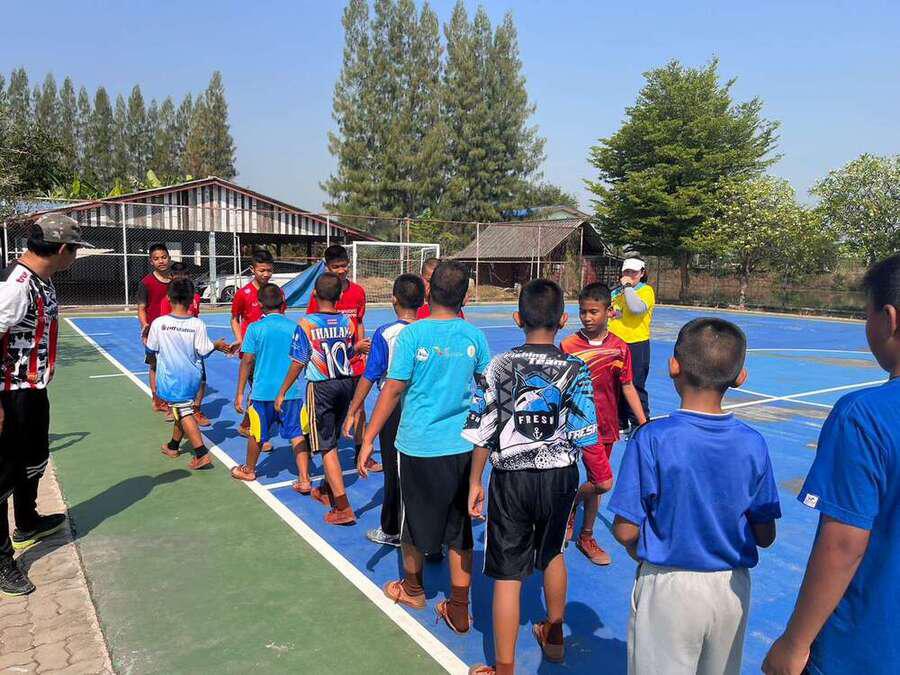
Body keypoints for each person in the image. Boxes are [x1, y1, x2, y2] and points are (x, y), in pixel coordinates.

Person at [608, 318, 780, 675]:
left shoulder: (653, 439)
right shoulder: (753, 444)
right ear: (740, 377)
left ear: (674, 366)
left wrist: (644, 551)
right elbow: (765, 534)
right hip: (731, 588)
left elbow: (625, 530)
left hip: (667, 587)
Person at [762, 253, 900, 675]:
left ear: (889, 318)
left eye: (867, 314)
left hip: (866, 647)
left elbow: (844, 543)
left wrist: (795, 642)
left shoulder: (864, 416)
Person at [464, 280, 598, 674]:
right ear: (564, 320)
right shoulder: (577, 368)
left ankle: (504, 667)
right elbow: (586, 433)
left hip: (511, 478)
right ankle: (554, 638)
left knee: (508, 574)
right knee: (553, 552)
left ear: (517, 318)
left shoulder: (498, 366)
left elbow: (483, 431)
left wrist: (475, 481)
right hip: (560, 476)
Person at [358, 261, 490, 634]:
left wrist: (368, 438)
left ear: (428, 292)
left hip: (417, 445)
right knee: (459, 529)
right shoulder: (474, 336)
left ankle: (414, 591)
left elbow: (393, 388)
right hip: (461, 447)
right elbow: (486, 392)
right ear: (465, 297)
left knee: (412, 523)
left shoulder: (413, 335)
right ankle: (460, 609)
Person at [0, 215, 88, 597]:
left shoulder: (43, 279)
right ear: (63, 249)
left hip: (33, 390)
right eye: (75, 250)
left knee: (33, 460)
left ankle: (27, 521)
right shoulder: (15, 286)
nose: (75, 257)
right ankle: (2, 560)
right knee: (2, 475)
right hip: (10, 394)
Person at [561, 282, 647, 566]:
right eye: (582, 312)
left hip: (605, 427)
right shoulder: (568, 346)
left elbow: (628, 386)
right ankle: (566, 516)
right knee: (570, 475)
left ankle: (585, 534)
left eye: (593, 312)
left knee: (599, 483)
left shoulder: (620, 348)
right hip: (571, 427)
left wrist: (643, 422)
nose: (587, 317)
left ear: (609, 312)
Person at [343, 273, 425, 547]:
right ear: (422, 301)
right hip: (424, 406)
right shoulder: (428, 330)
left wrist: (353, 410)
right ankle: (430, 530)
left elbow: (370, 375)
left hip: (393, 408)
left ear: (393, 299)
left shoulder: (386, 333)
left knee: (393, 468)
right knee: (423, 467)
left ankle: (392, 529)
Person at [277, 272, 362, 525]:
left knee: (327, 446)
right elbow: (346, 352)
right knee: (332, 437)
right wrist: (357, 348)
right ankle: (325, 489)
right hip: (345, 383)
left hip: (322, 387)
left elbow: (299, 360)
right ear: (340, 296)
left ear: (314, 294)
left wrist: (283, 391)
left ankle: (343, 507)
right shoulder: (347, 322)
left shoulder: (306, 324)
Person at [231, 283, 310, 490]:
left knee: (256, 432)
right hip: (290, 392)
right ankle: (304, 478)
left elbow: (247, 361)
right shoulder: (295, 327)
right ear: (283, 302)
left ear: (259, 304)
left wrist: (240, 392)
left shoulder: (254, 328)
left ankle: (249, 469)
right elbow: (302, 358)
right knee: (297, 434)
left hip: (262, 392)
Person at [149, 279, 233, 471]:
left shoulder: (159, 323)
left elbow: (150, 350)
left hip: (171, 377)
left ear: (168, 298)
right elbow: (203, 351)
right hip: (193, 376)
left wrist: (154, 367)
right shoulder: (197, 324)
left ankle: (201, 453)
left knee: (183, 411)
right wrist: (216, 345)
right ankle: (173, 446)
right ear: (192, 300)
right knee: (181, 408)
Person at [306, 245, 376, 470]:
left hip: (354, 361)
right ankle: (323, 451)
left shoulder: (358, 292)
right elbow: (312, 327)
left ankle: (361, 454)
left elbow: (359, 322)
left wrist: (362, 350)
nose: (341, 270)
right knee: (330, 414)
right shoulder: (320, 294)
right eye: (336, 267)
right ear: (327, 267)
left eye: (344, 266)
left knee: (359, 407)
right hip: (332, 367)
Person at [231, 249, 284, 439]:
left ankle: (249, 423)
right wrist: (239, 339)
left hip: (272, 350)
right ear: (252, 269)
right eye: (262, 270)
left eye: (269, 270)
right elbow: (234, 318)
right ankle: (254, 427)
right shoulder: (243, 294)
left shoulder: (277, 292)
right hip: (252, 351)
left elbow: (280, 318)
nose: (266, 274)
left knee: (267, 386)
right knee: (260, 388)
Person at [160, 261, 209, 427]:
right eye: (177, 276)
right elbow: (165, 323)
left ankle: (196, 409)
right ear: (171, 277)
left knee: (201, 379)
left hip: (193, 345)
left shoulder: (195, 298)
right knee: (174, 376)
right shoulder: (167, 300)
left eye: (185, 276)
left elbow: (195, 318)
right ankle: (171, 406)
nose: (181, 279)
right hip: (175, 347)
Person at [608, 257, 654, 429]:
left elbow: (636, 309)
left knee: (635, 384)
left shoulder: (646, 291)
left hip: (636, 343)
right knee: (615, 383)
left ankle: (639, 422)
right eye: (626, 271)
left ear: (642, 273)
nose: (629, 275)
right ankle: (619, 421)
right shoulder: (617, 292)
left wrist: (627, 287)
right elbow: (616, 313)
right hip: (615, 343)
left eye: (633, 272)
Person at [137, 243, 171, 416]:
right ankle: (157, 400)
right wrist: (145, 327)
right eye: (156, 258)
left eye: (164, 257)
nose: (161, 261)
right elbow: (141, 308)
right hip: (154, 332)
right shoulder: (146, 283)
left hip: (173, 331)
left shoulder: (176, 281)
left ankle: (171, 399)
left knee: (172, 364)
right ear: (151, 261)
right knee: (155, 365)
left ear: (169, 258)